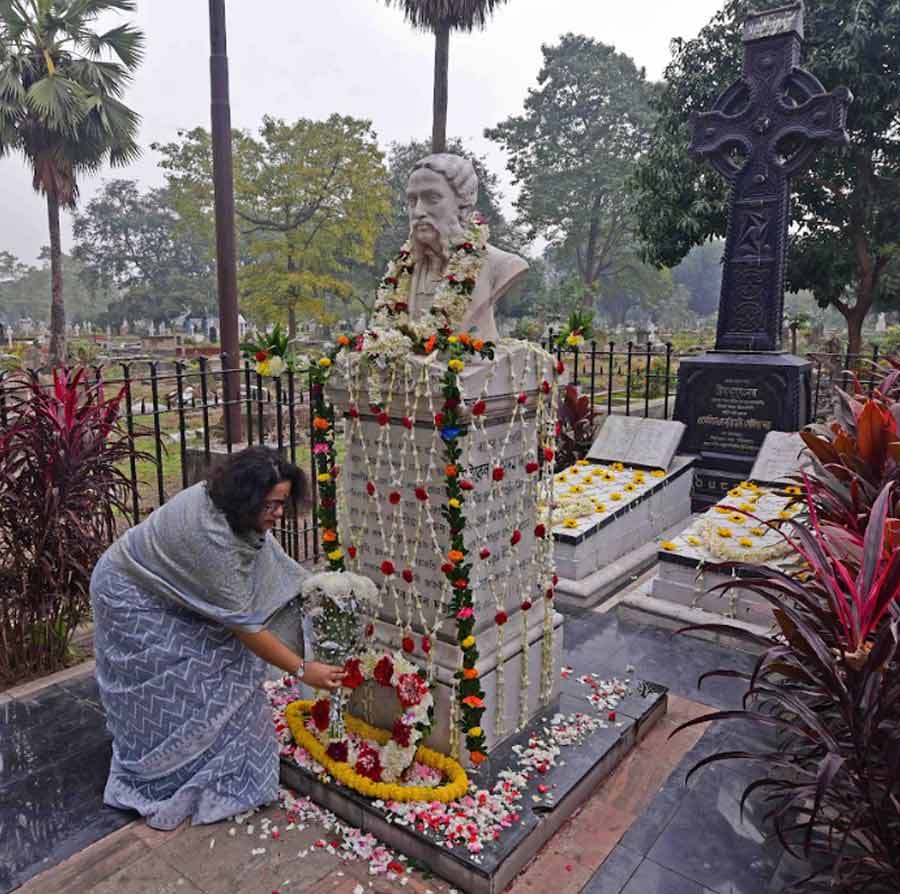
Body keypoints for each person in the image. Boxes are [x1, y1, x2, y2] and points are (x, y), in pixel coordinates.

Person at [90, 446, 344, 830]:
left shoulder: (234, 513)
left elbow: (268, 563)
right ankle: (164, 768)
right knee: (196, 677)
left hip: (167, 584)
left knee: (229, 669)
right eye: (272, 505)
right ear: (246, 499)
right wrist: (304, 670)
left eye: (283, 503)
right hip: (130, 595)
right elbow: (247, 629)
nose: (279, 514)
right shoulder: (212, 539)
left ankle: (211, 751)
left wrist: (317, 592)